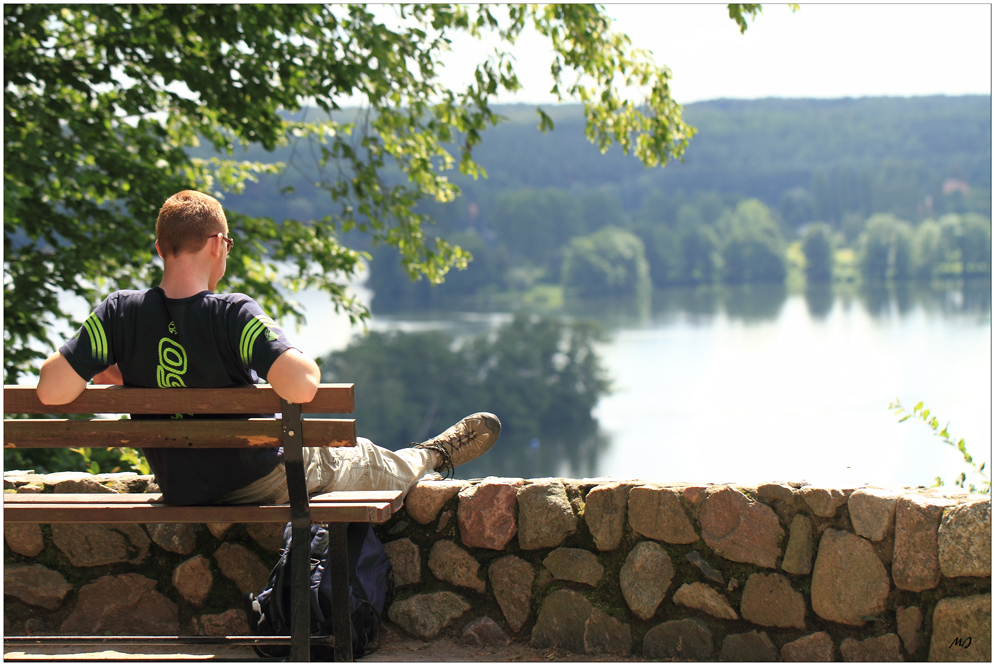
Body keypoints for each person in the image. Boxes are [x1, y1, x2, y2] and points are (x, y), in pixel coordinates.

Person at [36, 189, 500, 505]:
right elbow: (301, 386)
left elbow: (51, 391)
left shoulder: (119, 313)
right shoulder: (232, 314)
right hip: (255, 479)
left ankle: (431, 454)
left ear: (161, 248)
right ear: (217, 244)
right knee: (365, 458)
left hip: (180, 485)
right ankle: (433, 456)